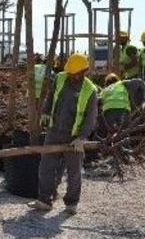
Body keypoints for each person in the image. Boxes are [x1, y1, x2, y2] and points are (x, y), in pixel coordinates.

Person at [29, 53, 99, 215]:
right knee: (46, 166)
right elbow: (50, 97)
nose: (71, 75)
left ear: (83, 72)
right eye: (70, 72)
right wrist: (46, 113)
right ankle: (45, 200)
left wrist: (82, 137)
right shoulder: (60, 78)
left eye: (75, 73)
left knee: (74, 171)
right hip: (54, 131)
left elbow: (91, 118)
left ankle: (72, 203)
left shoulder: (90, 90)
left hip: (74, 136)